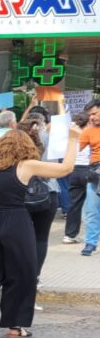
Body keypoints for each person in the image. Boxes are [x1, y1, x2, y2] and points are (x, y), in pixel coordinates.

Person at [0, 127, 79, 338]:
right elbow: (66, 168)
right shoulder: (27, 165)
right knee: (22, 273)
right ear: (26, 147)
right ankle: (15, 327)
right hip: (15, 221)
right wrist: (73, 139)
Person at [18, 117, 60, 282]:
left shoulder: (17, 141)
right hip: (48, 192)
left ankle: (20, 273)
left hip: (22, 194)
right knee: (41, 237)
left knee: (20, 236)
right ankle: (34, 276)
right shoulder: (50, 139)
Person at [63, 111, 93, 244]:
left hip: (74, 170)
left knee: (74, 204)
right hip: (90, 169)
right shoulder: (91, 134)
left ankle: (70, 235)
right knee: (94, 204)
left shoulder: (72, 136)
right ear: (89, 122)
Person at [79, 101, 100, 256]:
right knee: (92, 210)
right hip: (95, 173)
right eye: (89, 115)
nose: (91, 117)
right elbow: (75, 148)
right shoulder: (88, 132)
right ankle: (91, 243)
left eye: (94, 113)